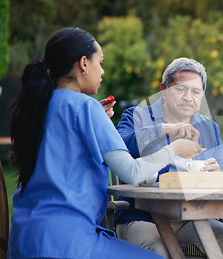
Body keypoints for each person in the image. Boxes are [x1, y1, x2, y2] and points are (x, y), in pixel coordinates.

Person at [7, 27, 202, 259]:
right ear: (83, 63)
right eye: (100, 62)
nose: (103, 71)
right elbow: (132, 172)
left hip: (25, 239)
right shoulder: (86, 107)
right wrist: (175, 148)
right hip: (68, 243)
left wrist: (96, 118)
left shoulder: (38, 106)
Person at [114, 57, 223, 258]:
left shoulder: (208, 127)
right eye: (180, 89)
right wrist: (166, 129)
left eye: (196, 91)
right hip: (142, 217)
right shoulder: (136, 115)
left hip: (192, 218)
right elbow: (119, 145)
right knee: (159, 250)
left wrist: (219, 173)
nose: (189, 97)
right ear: (163, 89)